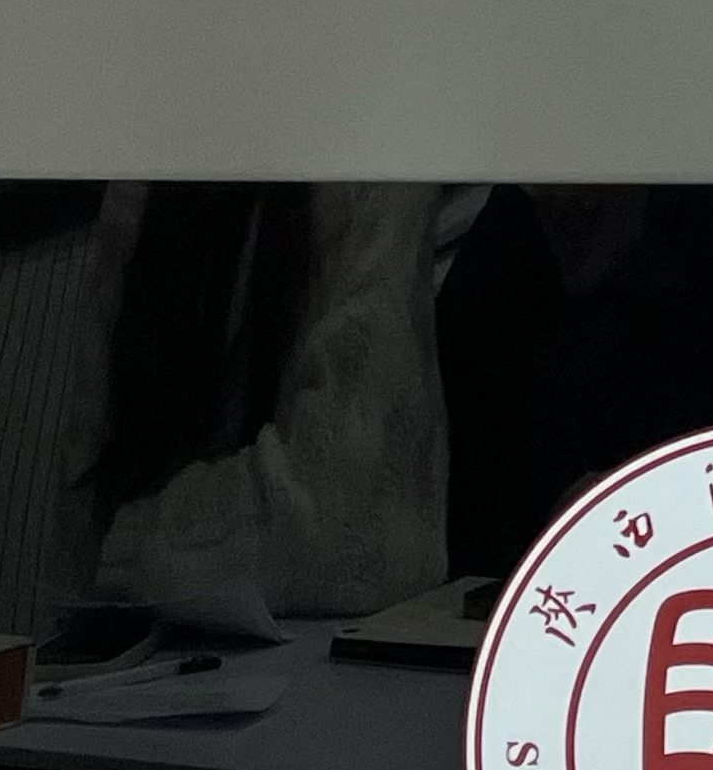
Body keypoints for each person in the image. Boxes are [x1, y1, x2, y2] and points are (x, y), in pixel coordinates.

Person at [49, 182, 446, 620]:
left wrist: (131, 540)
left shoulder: (370, 179)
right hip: (154, 635)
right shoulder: (141, 189)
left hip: (335, 640)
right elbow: (83, 520)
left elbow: (344, 526)